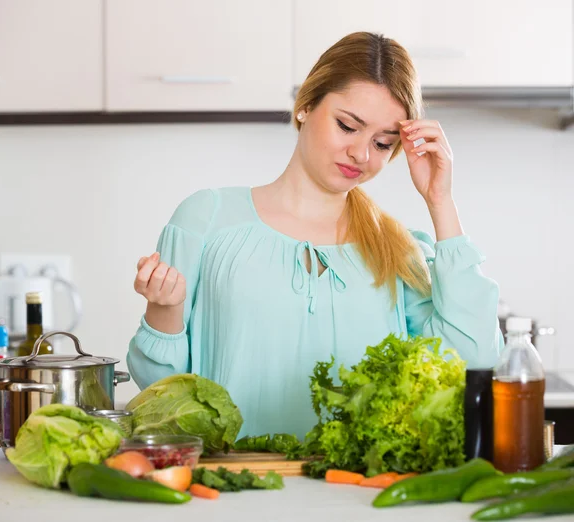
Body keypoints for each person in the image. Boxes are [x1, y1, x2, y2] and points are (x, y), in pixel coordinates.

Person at [127, 32, 504, 439]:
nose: (361, 154)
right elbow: (159, 387)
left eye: (382, 143)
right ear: (306, 106)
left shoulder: (397, 248)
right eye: (347, 126)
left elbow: (472, 357)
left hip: (358, 491)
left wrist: (440, 201)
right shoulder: (208, 218)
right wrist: (163, 310)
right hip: (233, 484)